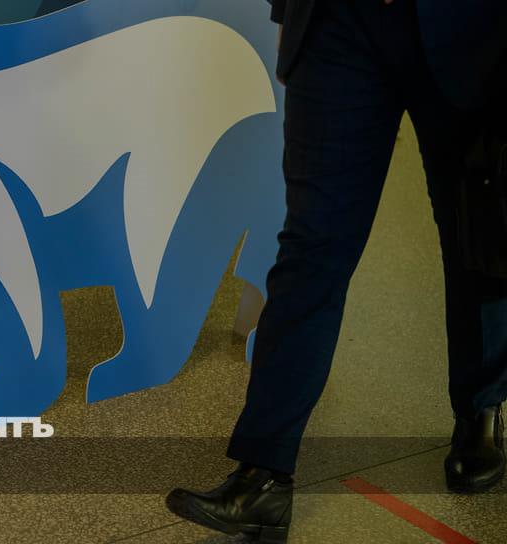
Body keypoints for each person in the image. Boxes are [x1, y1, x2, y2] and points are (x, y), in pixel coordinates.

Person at [165, 1, 507, 541]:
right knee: (312, 243)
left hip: (469, 27)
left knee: (473, 233)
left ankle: (479, 409)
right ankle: (263, 473)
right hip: (337, 24)